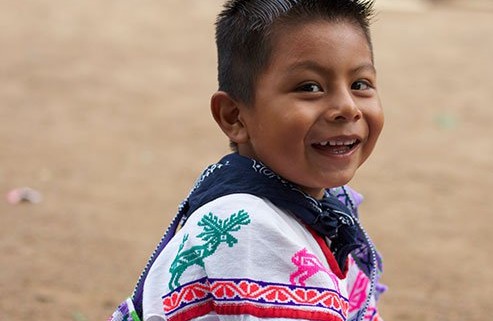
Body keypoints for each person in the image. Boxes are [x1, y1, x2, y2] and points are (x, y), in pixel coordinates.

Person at [109, 0, 385, 320]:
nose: (348, 107)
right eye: (309, 87)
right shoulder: (249, 229)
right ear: (235, 116)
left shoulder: (316, 207)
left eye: (360, 84)